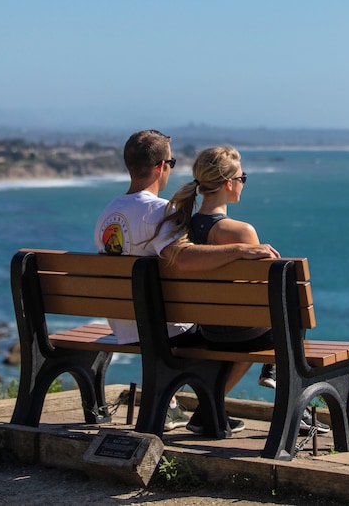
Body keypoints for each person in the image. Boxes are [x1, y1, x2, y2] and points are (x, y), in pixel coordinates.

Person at [94, 130, 279, 432]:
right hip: (164, 329)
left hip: (124, 325)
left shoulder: (108, 213)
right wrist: (241, 249)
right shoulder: (157, 211)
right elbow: (184, 258)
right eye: (171, 161)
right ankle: (209, 407)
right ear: (160, 167)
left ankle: (194, 408)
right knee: (235, 331)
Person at [157, 144, 330, 436]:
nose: (243, 184)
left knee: (261, 324)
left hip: (207, 330)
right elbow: (262, 294)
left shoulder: (182, 227)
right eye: (242, 178)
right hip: (240, 333)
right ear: (228, 184)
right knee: (293, 313)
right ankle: (278, 379)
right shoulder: (240, 232)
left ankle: (205, 413)